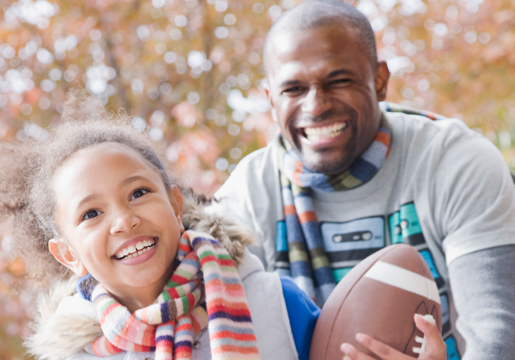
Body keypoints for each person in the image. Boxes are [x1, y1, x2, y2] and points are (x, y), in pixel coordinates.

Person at [211, 1, 515, 359]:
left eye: (337, 81)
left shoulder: (455, 161)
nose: (316, 105)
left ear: (380, 80)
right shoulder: (246, 194)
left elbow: (498, 332)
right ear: (270, 99)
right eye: (293, 89)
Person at [0, 92, 316, 360]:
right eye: (91, 213)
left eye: (138, 193)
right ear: (68, 254)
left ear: (176, 206)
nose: (124, 220)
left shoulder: (278, 303)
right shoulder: (75, 354)